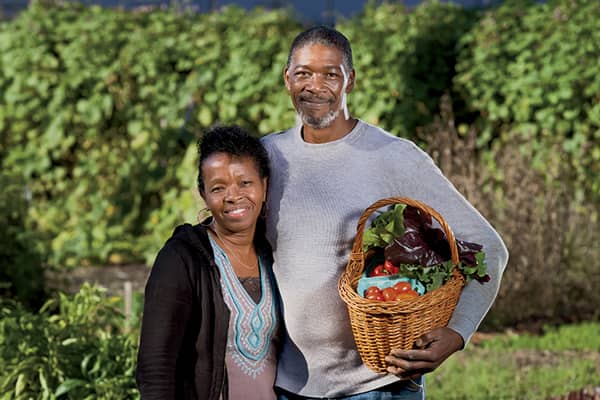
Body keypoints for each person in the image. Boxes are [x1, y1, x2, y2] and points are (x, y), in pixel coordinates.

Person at [260, 25, 509, 399]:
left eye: (331, 74)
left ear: (351, 81)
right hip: (288, 386)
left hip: (379, 385)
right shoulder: (267, 156)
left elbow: (489, 246)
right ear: (287, 79)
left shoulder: (392, 156)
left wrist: (458, 333)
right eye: (303, 73)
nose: (315, 86)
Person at [136, 125, 280, 400]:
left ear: (264, 185)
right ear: (203, 194)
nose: (233, 195)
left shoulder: (272, 254)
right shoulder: (182, 259)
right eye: (218, 187)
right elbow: (155, 369)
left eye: (245, 183)